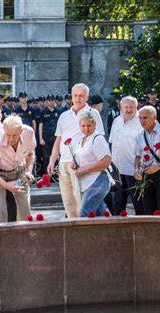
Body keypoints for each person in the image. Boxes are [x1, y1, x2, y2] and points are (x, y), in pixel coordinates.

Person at [47, 83, 104, 218]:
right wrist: (52, 161)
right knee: (68, 203)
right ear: (71, 96)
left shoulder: (93, 113)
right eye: (75, 95)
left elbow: (99, 138)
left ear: (86, 97)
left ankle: (85, 232)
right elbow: (58, 141)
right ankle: (72, 232)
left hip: (81, 164)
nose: (78, 98)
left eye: (81, 96)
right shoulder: (64, 115)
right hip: (63, 163)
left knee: (81, 202)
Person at [0, 115, 36, 223]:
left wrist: (28, 171)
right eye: (8, 135)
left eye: (15, 135)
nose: (11, 139)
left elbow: (31, 154)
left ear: (21, 131)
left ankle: (25, 234)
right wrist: (8, 186)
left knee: (24, 207)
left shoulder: (29, 133)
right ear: (3, 130)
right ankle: (0, 234)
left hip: (18, 171)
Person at [109, 96, 144, 215]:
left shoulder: (142, 121)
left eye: (131, 107)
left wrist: (140, 167)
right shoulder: (116, 120)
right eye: (126, 107)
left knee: (138, 204)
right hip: (117, 170)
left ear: (136, 107)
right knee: (117, 204)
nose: (128, 110)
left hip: (133, 170)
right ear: (121, 107)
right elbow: (112, 143)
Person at [72, 113, 112, 218]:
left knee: (84, 213)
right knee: (101, 216)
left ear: (95, 125)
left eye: (89, 125)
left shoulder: (98, 139)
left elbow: (106, 161)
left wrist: (84, 169)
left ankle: (81, 235)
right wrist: (74, 164)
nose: (86, 128)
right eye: (83, 126)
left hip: (98, 181)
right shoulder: (82, 140)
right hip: (87, 182)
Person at [38, 95, 61, 172]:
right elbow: (40, 125)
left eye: (52, 100)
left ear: (54, 101)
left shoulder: (58, 112)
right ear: (47, 101)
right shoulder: (43, 111)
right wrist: (41, 138)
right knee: (46, 156)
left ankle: (55, 175)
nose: (51, 102)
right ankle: (46, 175)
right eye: (49, 100)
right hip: (46, 137)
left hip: (55, 136)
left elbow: (61, 125)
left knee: (56, 156)